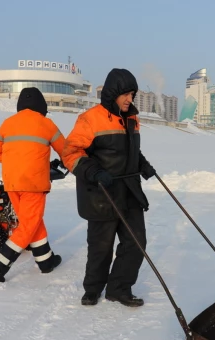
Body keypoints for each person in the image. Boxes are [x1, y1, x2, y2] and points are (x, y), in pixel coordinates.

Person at [62, 68, 156, 307]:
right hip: (102, 192)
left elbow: (130, 150)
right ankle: (93, 289)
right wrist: (94, 171)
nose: (129, 99)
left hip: (129, 191)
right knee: (101, 247)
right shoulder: (90, 118)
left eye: (132, 94)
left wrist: (142, 164)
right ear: (113, 93)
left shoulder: (132, 118)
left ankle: (119, 288)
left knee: (136, 242)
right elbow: (71, 152)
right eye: (125, 94)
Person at [0, 87, 65, 283]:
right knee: (28, 225)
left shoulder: (8, 123)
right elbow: (66, 150)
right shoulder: (46, 124)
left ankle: (45, 261)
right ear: (42, 106)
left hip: (12, 183)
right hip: (33, 184)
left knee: (32, 222)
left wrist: (16, 162)